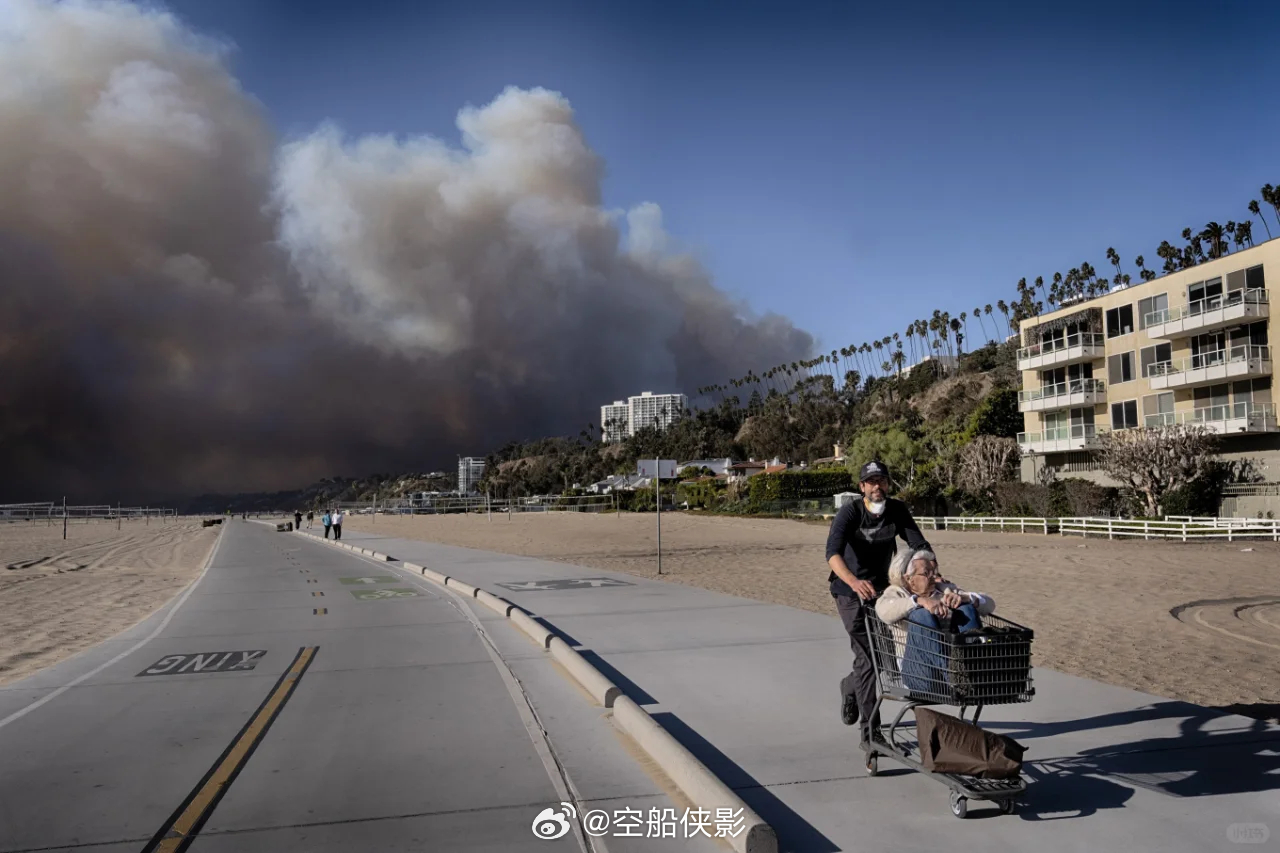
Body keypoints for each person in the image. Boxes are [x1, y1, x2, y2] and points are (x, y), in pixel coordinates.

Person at [825, 460, 931, 747]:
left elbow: (919, 545)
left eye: (881, 480)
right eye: (871, 482)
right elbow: (832, 553)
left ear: (887, 484)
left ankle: (850, 685)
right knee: (868, 658)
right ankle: (871, 734)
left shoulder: (897, 510)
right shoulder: (850, 512)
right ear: (862, 487)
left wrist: (928, 570)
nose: (877, 486)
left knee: (883, 657)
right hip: (848, 592)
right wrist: (853, 582)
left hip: (883, 592)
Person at [876, 547, 996, 692]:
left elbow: (990, 604)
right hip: (919, 672)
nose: (933, 577)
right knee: (921, 615)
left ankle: (974, 671)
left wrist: (967, 598)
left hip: (956, 664)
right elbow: (883, 611)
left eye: (933, 572)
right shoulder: (896, 593)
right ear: (909, 579)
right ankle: (956, 677)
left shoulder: (944, 589)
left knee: (966, 608)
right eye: (926, 574)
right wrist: (919, 601)